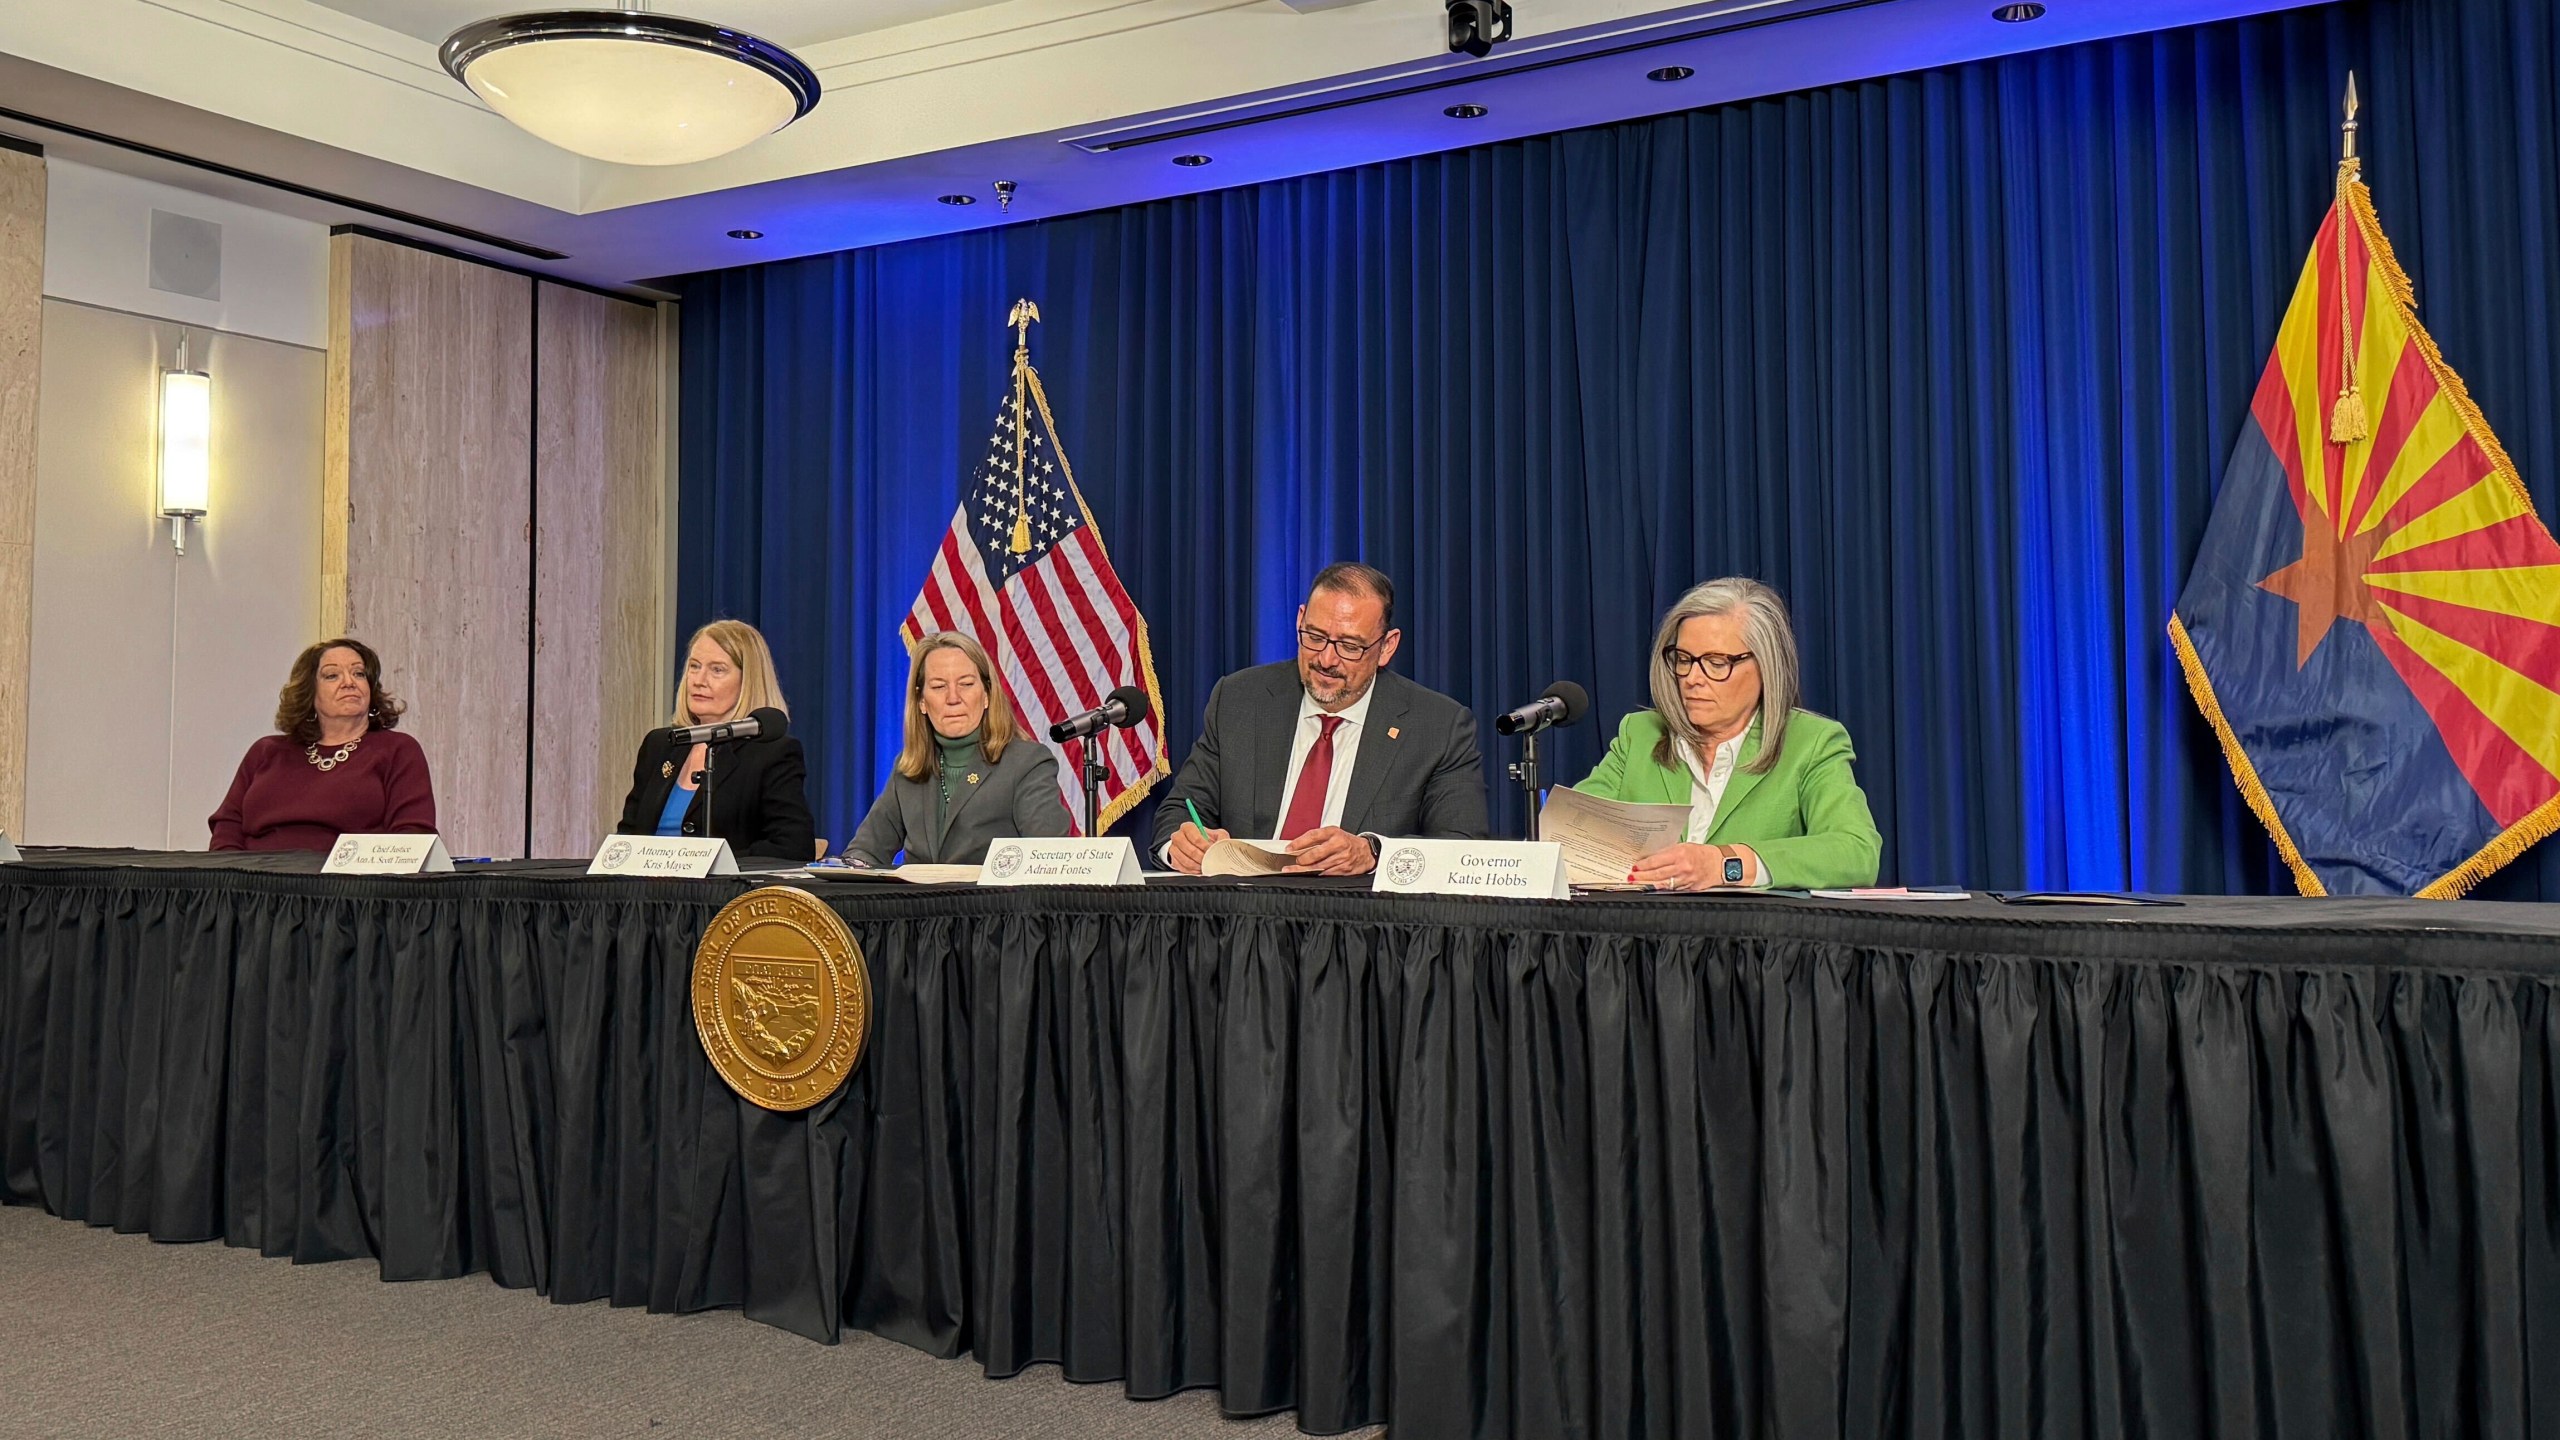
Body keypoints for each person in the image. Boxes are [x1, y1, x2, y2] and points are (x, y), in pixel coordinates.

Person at [1154, 562, 1487, 875]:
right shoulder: (1240, 699)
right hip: (1244, 919)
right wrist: (1182, 845)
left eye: (1349, 646)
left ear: (1386, 646)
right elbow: (1178, 812)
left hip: (1359, 925)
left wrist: (1372, 853)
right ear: (1300, 619)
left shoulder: (1438, 726)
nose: (1326, 659)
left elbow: (1460, 847)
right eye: (1314, 637)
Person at [1574, 577, 1881, 889]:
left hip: (1750, 936)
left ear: (1766, 666)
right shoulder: (1639, 734)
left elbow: (1857, 852)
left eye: (1716, 663)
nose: (1692, 678)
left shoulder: (1811, 743)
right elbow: (1570, 833)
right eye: (1683, 660)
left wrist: (1724, 864)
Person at [842, 631, 1073, 866]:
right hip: (918, 902)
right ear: (921, 701)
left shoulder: (1027, 763)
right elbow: (865, 851)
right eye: (939, 686)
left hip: (994, 902)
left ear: (986, 695)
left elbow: (1047, 860)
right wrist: (850, 867)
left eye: (966, 684)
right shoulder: (909, 768)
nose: (953, 698)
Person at [614, 619, 816, 862]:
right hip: (644, 896)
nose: (699, 680)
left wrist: (709, 864)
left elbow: (793, 848)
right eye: (694, 666)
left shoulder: (773, 754)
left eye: (717, 670)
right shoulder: (660, 745)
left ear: (747, 682)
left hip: (724, 898)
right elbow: (628, 836)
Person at [209, 637, 437, 851]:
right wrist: (229, 883)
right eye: (332, 676)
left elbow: (413, 837)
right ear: (310, 693)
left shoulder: (397, 749)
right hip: (255, 885)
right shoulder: (266, 751)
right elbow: (227, 826)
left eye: (359, 674)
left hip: (348, 886)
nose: (349, 683)